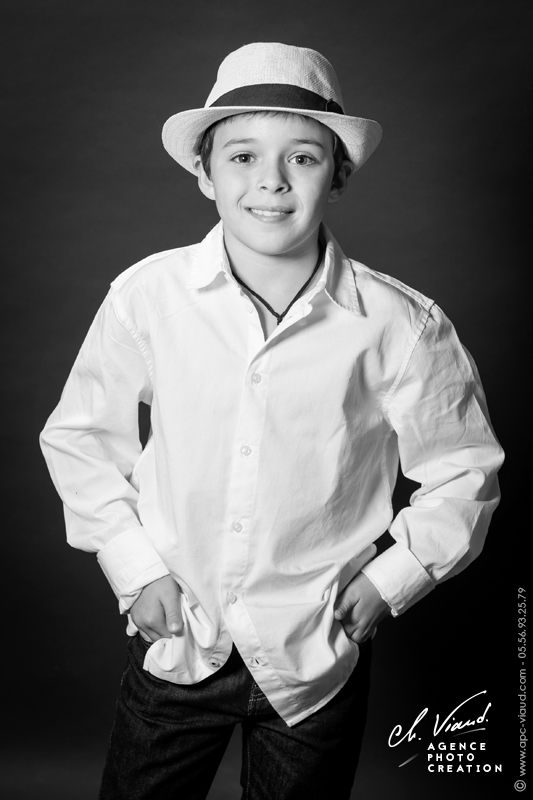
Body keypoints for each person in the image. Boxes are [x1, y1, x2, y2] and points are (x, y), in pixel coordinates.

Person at [40, 42, 504, 800]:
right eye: (242, 157)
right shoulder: (146, 297)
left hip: (315, 652)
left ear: (340, 173)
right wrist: (134, 565)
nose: (270, 182)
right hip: (180, 638)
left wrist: (390, 581)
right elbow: (81, 436)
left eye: (302, 158)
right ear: (203, 173)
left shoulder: (399, 324)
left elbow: (464, 470)